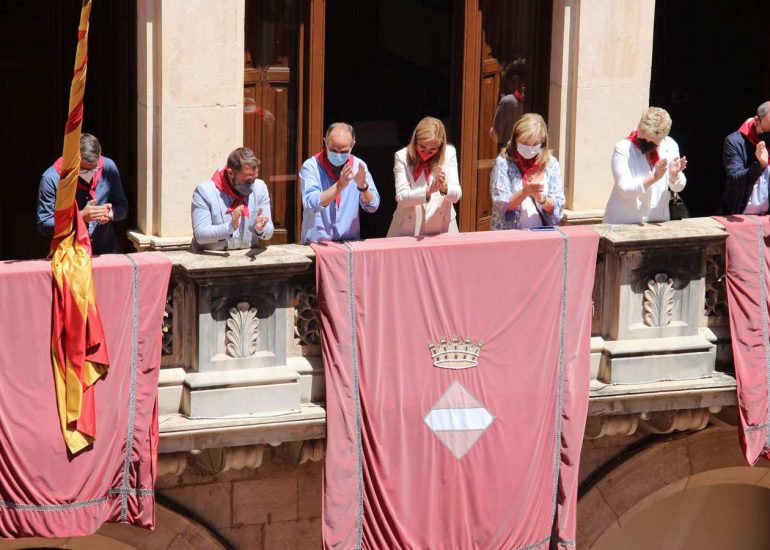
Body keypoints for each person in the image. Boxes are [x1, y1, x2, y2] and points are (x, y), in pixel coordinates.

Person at [37, 133, 128, 255]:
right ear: (73, 160)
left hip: (104, 251)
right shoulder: (51, 178)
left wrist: (111, 213)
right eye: (85, 169)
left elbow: (123, 208)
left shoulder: (108, 167)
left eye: (94, 168)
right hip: (70, 256)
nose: (90, 173)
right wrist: (80, 216)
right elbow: (44, 223)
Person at [604, 107, 687, 224]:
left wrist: (674, 176)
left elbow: (678, 187)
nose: (645, 144)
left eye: (651, 142)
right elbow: (624, 190)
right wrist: (654, 177)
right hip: (625, 221)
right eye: (642, 137)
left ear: (662, 138)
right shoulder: (623, 148)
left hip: (657, 220)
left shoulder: (670, 145)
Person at [299, 122, 380, 243]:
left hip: (348, 245)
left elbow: (373, 206)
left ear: (352, 145)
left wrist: (363, 187)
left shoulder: (359, 166)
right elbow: (310, 203)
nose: (338, 155)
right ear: (325, 142)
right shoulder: (311, 166)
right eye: (333, 150)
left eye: (343, 151)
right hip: (317, 246)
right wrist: (339, 186)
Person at [387, 117, 461, 237]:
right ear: (415, 141)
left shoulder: (449, 153)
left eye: (433, 149)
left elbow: (456, 195)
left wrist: (444, 188)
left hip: (442, 227)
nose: (426, 152)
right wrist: (428, 191)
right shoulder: (401, 156)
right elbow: (401, 197)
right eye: (422, 147)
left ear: (441, 145)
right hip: (409, 227)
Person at [489, 113, 565, 230]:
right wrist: (525, 192)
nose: (529, 148)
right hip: (511, 238)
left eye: (535, 144)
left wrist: (541, 198)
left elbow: (558, 207)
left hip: (542, 237)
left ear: (543, 142)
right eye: (524, 143)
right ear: (515, 140)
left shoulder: (551, 163)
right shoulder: (504, 162)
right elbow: (501, 204)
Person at [191, 147, 273, 251]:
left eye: (254, 179)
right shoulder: (204, 191)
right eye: (247, 181)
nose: (252, 185)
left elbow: (269, 230)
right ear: (230, 173)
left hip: (246, 260)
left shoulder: (260, 188)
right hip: (211, 261)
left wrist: (261, 228)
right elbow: (200, 235)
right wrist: (230, 227)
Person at [720, 101, 770, 215]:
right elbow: (734, 178)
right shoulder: (734, 141)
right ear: (757, 120)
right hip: (740, 212)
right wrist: (760, 165)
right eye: (767, 131)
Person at [490, 58, 527, 145]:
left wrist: (491, 131)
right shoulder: (531, 101)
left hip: (511, 153)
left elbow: (496, 136)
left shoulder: (507, 101)